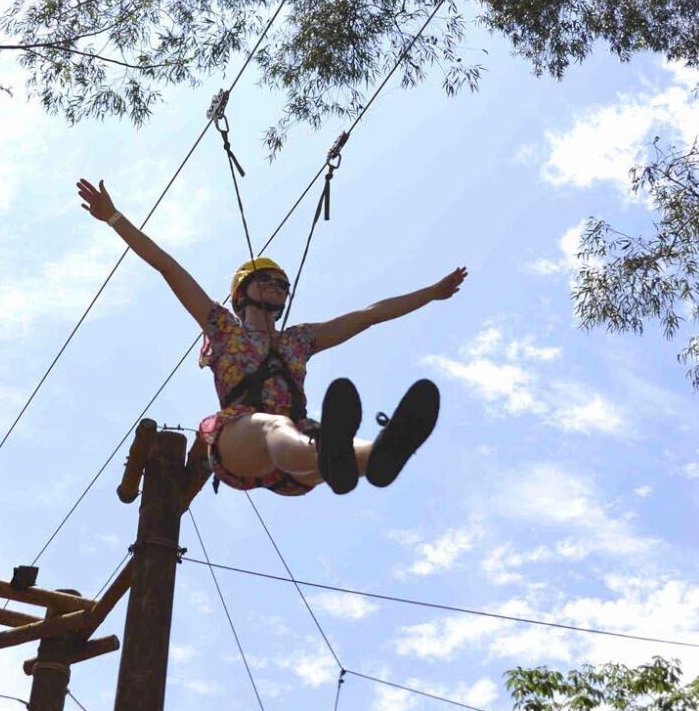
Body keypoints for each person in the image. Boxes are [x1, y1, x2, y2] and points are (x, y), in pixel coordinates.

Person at [77, 177, 466, 495]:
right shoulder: (221, 326)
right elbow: (168, 267)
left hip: (297, 462)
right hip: (239, 448)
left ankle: (380, 453)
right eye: (268, 280)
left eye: (283, 283)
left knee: (316, 438)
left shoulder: (300, 339)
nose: (279, 286)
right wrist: (114, 218)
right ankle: (334, 452)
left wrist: (431, 293)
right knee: (274, 426)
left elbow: (369, 316)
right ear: (242, 292)